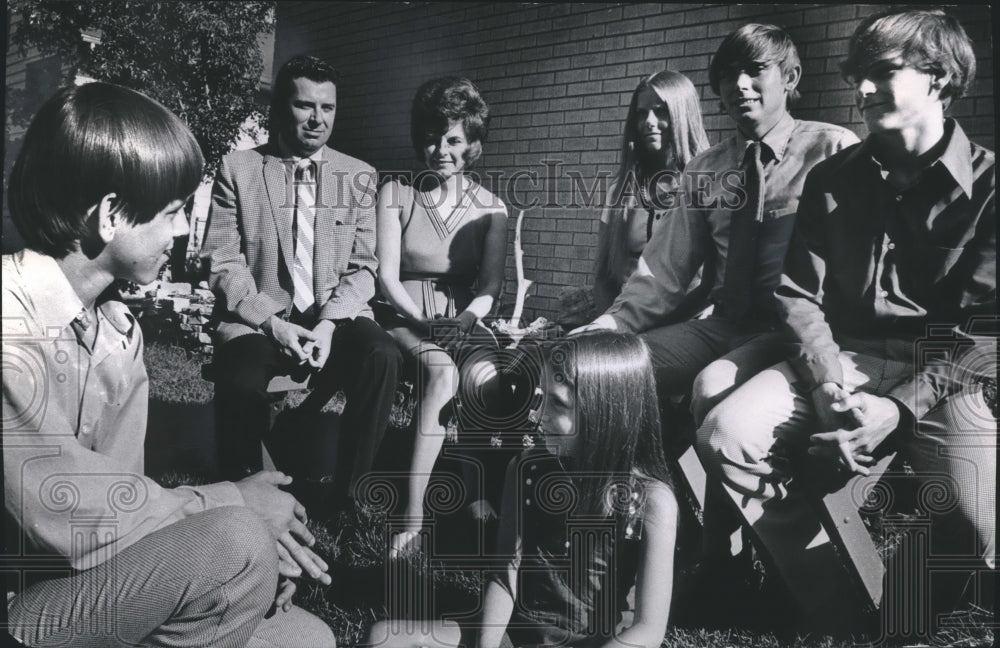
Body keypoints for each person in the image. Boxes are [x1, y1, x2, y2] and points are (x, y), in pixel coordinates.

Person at [2, 82, 334, 647]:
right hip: (17, 605)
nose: (183, 232)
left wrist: (250, 553)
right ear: (110, 215)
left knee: (307, 638)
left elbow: (123, 504)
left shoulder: (115, 329)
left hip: (85, 581)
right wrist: (232, 508)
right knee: (233, 544)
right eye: (174, 211)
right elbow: (71, 513)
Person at [696, 8, 995, 629]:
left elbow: (983, 333)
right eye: (857, 75)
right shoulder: (833, 176)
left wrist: (901, 406)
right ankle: (834, 610)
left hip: (943, 374)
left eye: (882, 74)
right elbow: (797, 294)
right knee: (727, 435)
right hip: (845, 358)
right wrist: (828, 383)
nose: (860, 91)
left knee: (983, 514)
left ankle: (903, 611)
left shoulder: (992, 188)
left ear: (939, 78)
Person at [572, 24, 859, 425]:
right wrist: (611, 322)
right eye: (727, 74)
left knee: (710, 388)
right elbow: (664, 269)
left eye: (755, 70)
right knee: (608, 368)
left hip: (798, 331)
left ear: (790, 78)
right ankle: (649, 477)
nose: (739, 84)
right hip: (726, 324)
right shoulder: (706, 169)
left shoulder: (833, 150)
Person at [364, 332, 678, 648]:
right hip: (516, 633)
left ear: (608, 412)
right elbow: (504, 576)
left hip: (596, 642)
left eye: (558, 403)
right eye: (541, 397)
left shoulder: (652, 502)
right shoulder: (527, 468)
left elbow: (648, 631)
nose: (536, 414)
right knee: (383, 638)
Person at [201, 55, 402, 507]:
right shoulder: (239, 169)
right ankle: (243, 499)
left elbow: (364, 266)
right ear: (279, 108)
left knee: (382, 356)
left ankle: (350, 496)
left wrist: (330, 325)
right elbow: (222, 261)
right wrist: (273, 323)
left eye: (327, 108)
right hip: (261, 318)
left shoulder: (358, 175)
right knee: (240, 377)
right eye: (304, 105)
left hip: (335, 316)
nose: (317, 119)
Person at [373, 76, 508, 558]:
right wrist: (425, 324)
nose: (440, 149)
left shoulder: (492, 208)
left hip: (463, 318)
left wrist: (467, 320)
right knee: (440, 369)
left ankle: (478, 495)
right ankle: (412, 517)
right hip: (402, 315)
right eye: (432, 136)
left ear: (472, 144)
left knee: (495, 375)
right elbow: (387, 278)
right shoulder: (396, 193)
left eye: (453, 139)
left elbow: (490, 287)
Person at [593, 70, 710, 314]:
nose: (649, 121)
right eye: (641, 113)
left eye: (661, 110)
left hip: (687, 322)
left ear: (682, 114)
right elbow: (604, 276)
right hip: (626, 319)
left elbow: (714, 283)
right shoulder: (619, 190)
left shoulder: (708, 185)